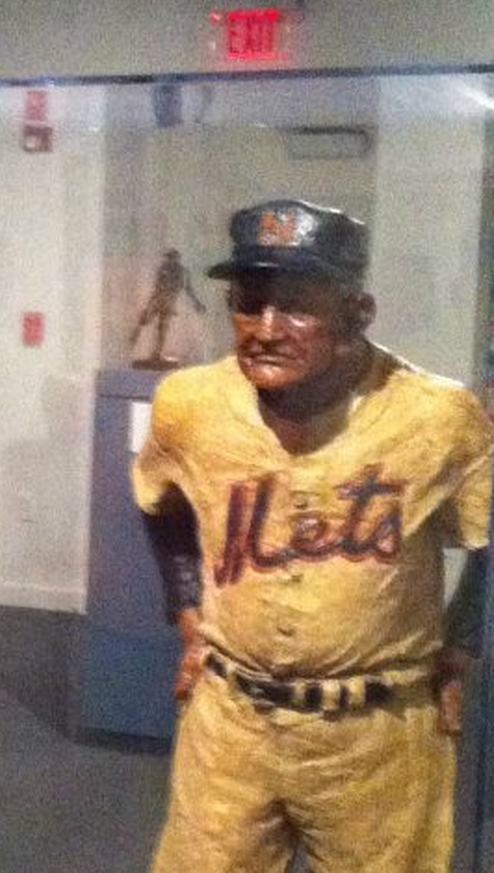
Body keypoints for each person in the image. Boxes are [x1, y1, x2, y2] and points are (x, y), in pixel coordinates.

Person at [133, 199, 490, 873]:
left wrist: (460, 649)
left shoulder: (437, 416)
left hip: (376, 734)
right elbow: (160, 501)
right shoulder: (191, 404)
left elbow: (486, 538)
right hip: (231, 724)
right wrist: (187, 614)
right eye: (250, 303)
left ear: (358, 313)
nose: (267, 329)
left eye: (298, 306)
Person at [128, 247, 206, 368]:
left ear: (175, 258)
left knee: (161, 327)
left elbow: (186, 289)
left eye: (170, 258)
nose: (168, 260)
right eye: (168, 258)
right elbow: (162, 287)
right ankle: (152, 349)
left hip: (165, 300)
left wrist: (197, 302)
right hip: (164, 300)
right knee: (156, 325)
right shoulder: (172, 270)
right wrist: (197, 302)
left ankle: (156, 352)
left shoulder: (175, 270)